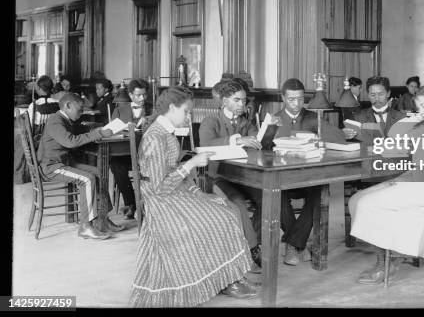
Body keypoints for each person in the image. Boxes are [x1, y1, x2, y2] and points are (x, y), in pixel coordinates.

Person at [129, 86, 257, 306]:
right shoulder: (155, 137)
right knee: (222, 216)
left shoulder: (164, 131)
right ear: (171, 108)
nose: (189, 117)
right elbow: (160, 187)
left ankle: (228, 278)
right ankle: (228, 280)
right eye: (186, 112)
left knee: (226, 208)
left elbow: (171, 172)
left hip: (175, 192)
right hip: (162, 201)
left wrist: (198, 192)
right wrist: (192, 163)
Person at [348, 84, 424, 284]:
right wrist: (417, 118)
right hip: (414, 181)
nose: (422, 112)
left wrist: (404, 180)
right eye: (419, 107)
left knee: (367, 204)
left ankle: (387, 263)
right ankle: (388, 255)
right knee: (355, 199)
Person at [274, 78, 346, 266]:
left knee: (321, 193)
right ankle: (298, 244)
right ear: (283, 98)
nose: (297, 104)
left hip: (309, 178)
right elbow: (262, 152)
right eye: (291, 99)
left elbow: (339, 137)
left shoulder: (313, 117)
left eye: (300, 99)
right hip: (283, 178)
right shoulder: (274, 119)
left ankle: (293, 244)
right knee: (277, 197)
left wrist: (319, 134)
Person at [37, 92, 123, 239]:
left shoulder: (65, 120)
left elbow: (77, 130)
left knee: (97, 172)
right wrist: (99, 134)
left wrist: (94, 130)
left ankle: (102, 219)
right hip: (52, 167)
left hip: (63, 163)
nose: (81, 113)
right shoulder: (55, 121)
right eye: (80, 110)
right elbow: (71, 141)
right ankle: (86, 226)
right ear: (68, 106)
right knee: (87, 179)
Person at [198, 79, 263, 269]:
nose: (241, 105)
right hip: (217, 176)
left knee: (266, 197)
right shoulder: (211, 121)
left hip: (244, 176)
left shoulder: (246, 122)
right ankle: (253, 249)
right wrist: (236, 140)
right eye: (236, 100)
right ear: (224, 101)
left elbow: (256, 143)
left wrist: (264, 135)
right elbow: (206, 145)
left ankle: (252, 240)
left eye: (243, 100)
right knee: (237, 202)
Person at [110, 79, 151, 219]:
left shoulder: (154, 109)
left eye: (144, 95)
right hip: (125, 152)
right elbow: (112, 131)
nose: (142, 98)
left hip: (147, 153)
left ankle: (151, 205)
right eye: (138, 95)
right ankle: (131, 203)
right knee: (116, 165)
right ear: (131, 95)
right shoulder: (119, 110)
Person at [343, 76, 405, 142]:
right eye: (373, 95)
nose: (377, 98)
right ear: (368, 95)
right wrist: (344, 135)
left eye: (380, 94)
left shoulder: (401, 118)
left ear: (388, 93)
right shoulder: (358, 118)